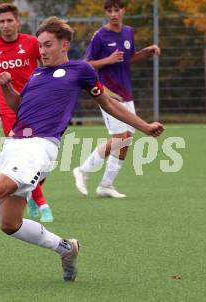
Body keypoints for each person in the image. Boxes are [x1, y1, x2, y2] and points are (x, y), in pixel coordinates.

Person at [0, 16, 164, 282]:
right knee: (10, 224)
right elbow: (19, 107)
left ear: (65, 44)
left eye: (48, 45)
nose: (42, 50)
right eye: (40, 45)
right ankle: (65, 247)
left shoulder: (81, 70)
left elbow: (110, 104)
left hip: (40, 148)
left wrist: (144, 126)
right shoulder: (37, 73)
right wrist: (7, 87)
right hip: (13, 145)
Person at [73, 0, 161, 198]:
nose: (113, 14)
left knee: (126, 139)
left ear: (124, 10)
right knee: (119, 137)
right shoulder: (100, 36)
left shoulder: (128, 31)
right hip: (108, 95)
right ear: (106, 12)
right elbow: (85, 65)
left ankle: (106, 185)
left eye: (117, 9)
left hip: (126, 94)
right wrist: (107, 60)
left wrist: (146, 52)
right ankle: (83, 170)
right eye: (109, 10)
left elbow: (129, 58)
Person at [0, 3, 54, 222]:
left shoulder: (31, 43)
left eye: (10, 20)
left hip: (35, 107)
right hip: (9, 112)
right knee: (23, 155)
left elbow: (46, 66)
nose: (6, 25)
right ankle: (42, 203)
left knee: (41, 160)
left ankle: (28, 194)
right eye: (2, 21)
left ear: (18, 21)